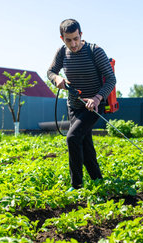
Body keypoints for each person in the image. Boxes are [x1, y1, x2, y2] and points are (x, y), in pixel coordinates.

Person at [47, 19, 116, 190]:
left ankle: (76, 185)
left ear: (81, 35)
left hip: (93, 105)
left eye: (76, 38)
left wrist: (98, 98)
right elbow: (50, 72)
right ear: (62, 38)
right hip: (74, 105)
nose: (74, 43)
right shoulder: (62, 52)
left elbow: (111, 79)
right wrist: (57, 79)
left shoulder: (95, 51)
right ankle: (97, 180)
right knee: (85, 142)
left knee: (73, 137)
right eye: (69, 40)